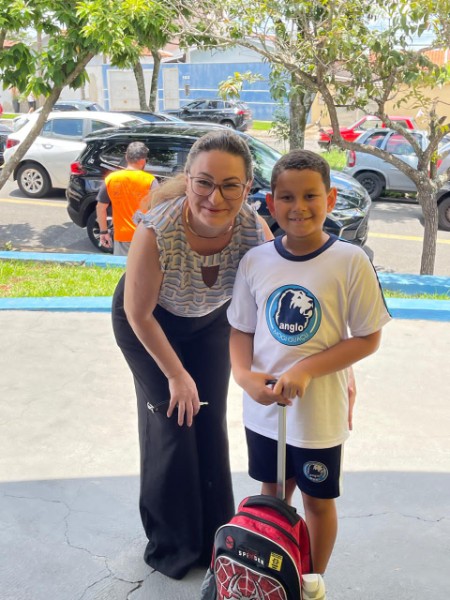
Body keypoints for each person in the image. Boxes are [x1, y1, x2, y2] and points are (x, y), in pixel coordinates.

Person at [227, 149, 391, 599]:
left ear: (330, 199)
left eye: (310, 196)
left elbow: (367, 338)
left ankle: (309, 584)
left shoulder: (350, 261)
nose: (298, 207)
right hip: (264, 412)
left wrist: (305, 369)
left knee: (318, 502)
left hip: (318, 417)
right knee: (273, 495)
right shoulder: (256, 261)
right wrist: (243, 376)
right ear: (271, 202)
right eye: (286, 197)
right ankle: (273, 578)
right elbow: (241, 329)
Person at [111, 129, 272, 580]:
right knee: (173, 422)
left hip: (208, 323)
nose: (215, 198)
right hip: (148, 323)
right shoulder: (158, 229)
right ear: (188, 179)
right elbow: (138, 314)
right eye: (204, 183)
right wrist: (176, 375)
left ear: (247, 186)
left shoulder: (252, 231)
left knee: (208, 419)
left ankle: (213, 538)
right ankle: (172, 544)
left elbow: (273, 302)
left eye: (230, 185)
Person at [96, 142, 158, 256]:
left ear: (126, 157)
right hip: (144, 236)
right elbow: (159, 210)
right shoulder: (150, 180)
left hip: (122, 237)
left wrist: (103, 231)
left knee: (122, 266)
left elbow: (100, 208)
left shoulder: (111, 179)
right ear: (143, 160)